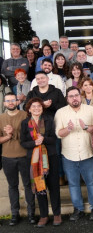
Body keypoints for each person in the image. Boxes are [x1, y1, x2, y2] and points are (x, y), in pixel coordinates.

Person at [54, 87, 93, 221]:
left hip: (88, 153)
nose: (74, 98)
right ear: (67, 98)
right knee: (73, 184)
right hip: (69, 155)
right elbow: (58, 133)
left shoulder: (90, 110)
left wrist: (86, 127)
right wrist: (68, 129)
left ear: (81, 96)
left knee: (91, 182)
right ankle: (78, 209)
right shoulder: (61, 112)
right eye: (71, 96)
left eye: (76, 95)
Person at [20, 97, 61, 227]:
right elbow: (23, 142)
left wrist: (44, 139)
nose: (36, 108)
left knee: (53, 186)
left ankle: (56, 214)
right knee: (39, 187)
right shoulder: (25, 123)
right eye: (34, 106)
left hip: (50, 157)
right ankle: (44, 216)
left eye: (39, 106)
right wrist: (34, 143)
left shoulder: (49, 119)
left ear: (42, 108)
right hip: (34, 159)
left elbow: (54, 139)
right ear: (29, 109)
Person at [0, 93, 35, 226]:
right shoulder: (1, 118)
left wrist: (13, 132)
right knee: (12, 186)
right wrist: (8, 136)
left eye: (12, 100)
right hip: (7, 157)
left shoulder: (25, 115)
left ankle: (31, 213)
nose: (10, 103)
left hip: (24, 156)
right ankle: (15, 213)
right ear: (4, 104)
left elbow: (31, 135)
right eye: (7, 101)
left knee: (28, 185)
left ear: (17, 101)